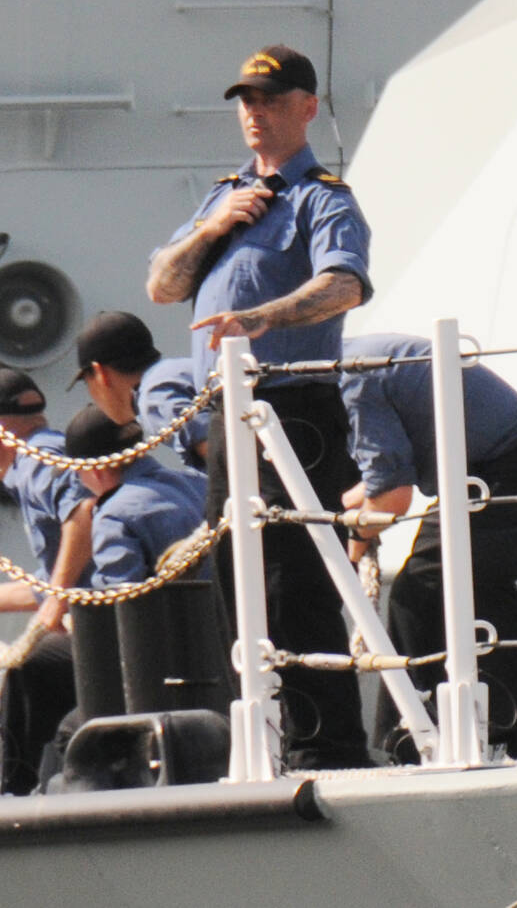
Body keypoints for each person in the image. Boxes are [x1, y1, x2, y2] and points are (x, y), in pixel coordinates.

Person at [143, 44, 373, 770]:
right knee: (237, 575)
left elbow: (345, 284)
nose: (254, 113)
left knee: (293, 577)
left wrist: (265, 315)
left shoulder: (322, 198)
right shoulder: (222, 197)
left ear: (307, 107)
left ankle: (325, 743)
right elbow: (163, 284)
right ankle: (261, 737)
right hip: (227, 411)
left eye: (270, 100)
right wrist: (214, 228)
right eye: (246, 100)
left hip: (292, 406)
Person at [339, 333, 517, 762]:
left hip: (505, 466)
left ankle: (414, 735)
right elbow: (381, 481)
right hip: (506, 460)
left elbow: (392, 497)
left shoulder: (352, 379)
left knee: (422, 589)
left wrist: (353, 546)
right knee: (479, 589)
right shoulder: (351, 362)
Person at [0, 368, 92, 793]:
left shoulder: (35, 459)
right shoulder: (41, 454)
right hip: (103, 617)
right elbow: (53, 580)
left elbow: (84, 513)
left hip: (110, 627)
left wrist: (55, 603)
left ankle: (13, 791)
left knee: (26, 669)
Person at [63, 408, 209, 589]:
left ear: (96, 471)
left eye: (78, 475)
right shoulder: (200, 483)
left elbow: (121, 604)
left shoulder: (113, 517)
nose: (82, 483)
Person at [72, 310, 207, 469]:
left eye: (86, 382)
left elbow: (222, 450)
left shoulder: (152, 398)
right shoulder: (180, 370)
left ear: (100, 373)